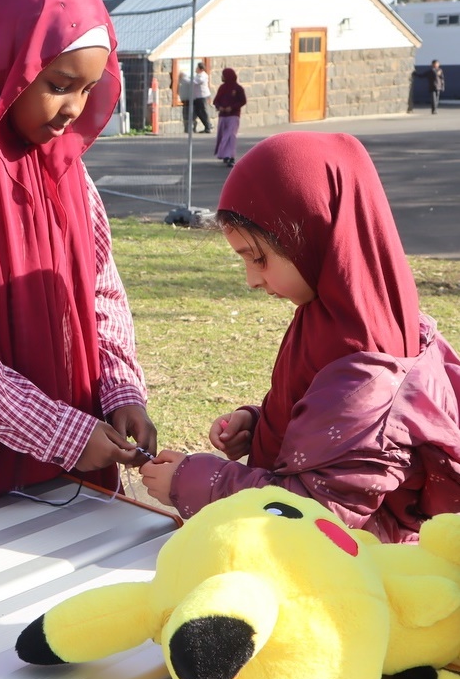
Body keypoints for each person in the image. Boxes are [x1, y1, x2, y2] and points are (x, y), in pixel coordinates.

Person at [141, 132, 460, 543]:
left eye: (259, 259)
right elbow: (329, 429)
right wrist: (258, 425)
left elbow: (318, 514)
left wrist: (196, 481)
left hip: (344, 572)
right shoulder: (333, 315)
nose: (252, 280)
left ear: (313, 235)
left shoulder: (365, 368)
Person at [0, 0, 157, 527]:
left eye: (88, 88)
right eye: (58, 85)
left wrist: (122, 392)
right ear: (5, 63)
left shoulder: (70, 177)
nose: (75, 109)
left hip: (75, 460)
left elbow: (101, 297)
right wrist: (60, 432)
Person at [213, 68, 246, 168]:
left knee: (231, 135)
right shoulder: (222, 88)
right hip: (223, 115)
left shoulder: (238, 88)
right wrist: (220, 107)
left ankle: (230, 155)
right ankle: (224, 154)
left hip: (233, 115)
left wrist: (232, 107)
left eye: (223, 75)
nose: (222, 77)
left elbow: (243, 101)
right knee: (223, 135)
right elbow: (216, 101)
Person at [192, 62, 212, 133]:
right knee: (199, 112)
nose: (196, 69)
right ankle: (208, 125)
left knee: (203, 112)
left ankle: (208, 126)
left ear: (201, 69)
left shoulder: (203, 76)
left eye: (197, 68)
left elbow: (195, 82)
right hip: (198, 96)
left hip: (203, 96)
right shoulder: (198, 75)